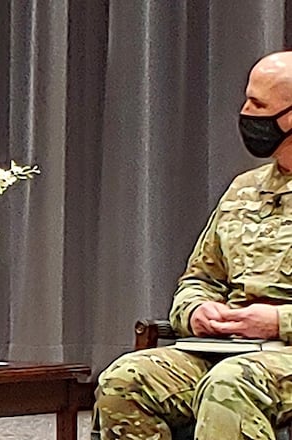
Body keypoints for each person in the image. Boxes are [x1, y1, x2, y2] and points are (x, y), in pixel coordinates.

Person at [94, 51, 292, 439]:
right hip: (225, 351)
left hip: (278, 358)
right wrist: (197, 311)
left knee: (230, 385)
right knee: (124, 379)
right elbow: (199, 278)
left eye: (259, 105)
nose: (246, 113)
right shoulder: (244, 189)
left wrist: (276, 322)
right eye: (246, 99)